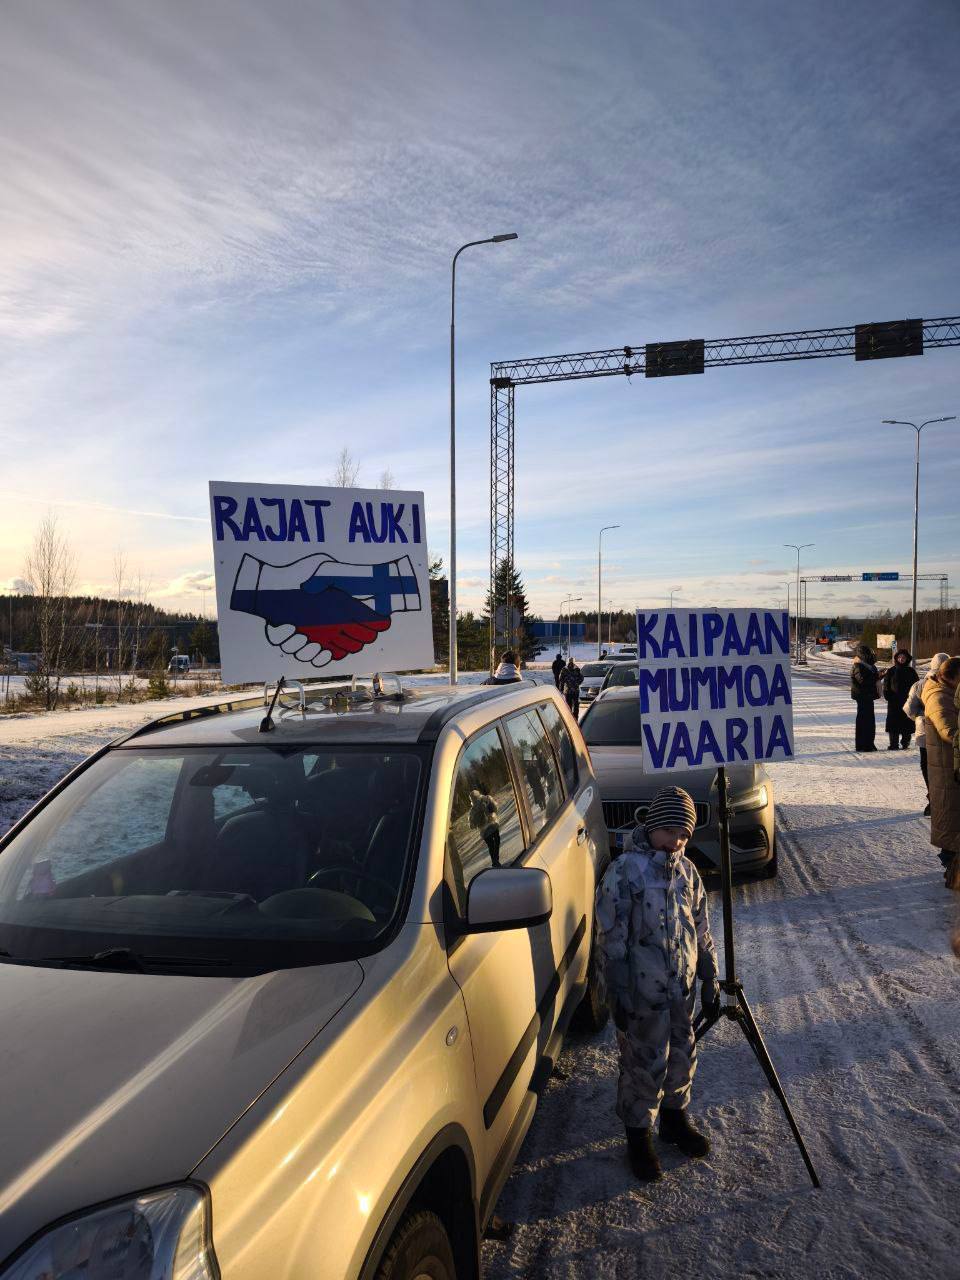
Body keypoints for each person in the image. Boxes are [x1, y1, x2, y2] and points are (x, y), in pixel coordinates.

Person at [596, 786, 719, 1182]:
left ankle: (674, 1120)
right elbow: (610, 934)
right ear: (650, 827)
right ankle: (638, 1136)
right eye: (668, 831)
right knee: (642, 1065)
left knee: (682, 1056)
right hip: (641, 995)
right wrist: (616, 989)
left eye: (683, 834)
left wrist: (709, 973)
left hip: (680, 993)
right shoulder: (626, 871)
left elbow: (700, 925)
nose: (676, 841)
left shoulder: (687, 872)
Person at [920, 656, 960, 886]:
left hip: (949, 766)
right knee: (951, 821)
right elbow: (948, 731)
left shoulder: (946, 693)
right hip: (947, 770)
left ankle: (952, 870)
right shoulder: (938, 698)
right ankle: (951, 869)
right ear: (953, 676)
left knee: (953, 820)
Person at [903, 653, 950, 815]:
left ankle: (933, 799)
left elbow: (908, 709)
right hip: (947, 733)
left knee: (928, 766)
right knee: (945, 768)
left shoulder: (920, 685)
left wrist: (920, 717)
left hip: (925, 732)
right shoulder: (953, 684)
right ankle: (943, 801)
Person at [882, 649, 919, 750]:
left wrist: (914, 698)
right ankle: (893, 744)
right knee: (893, 724)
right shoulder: (891, 671)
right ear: (896, 658)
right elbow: (886, 685)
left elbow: (917, 686)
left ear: (907, 659)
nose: (901, 659)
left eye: (903, 657)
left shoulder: (911, 671)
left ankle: (905, 743)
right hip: (894, 702)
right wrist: (888, 696)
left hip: (908, 701)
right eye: (899, 657)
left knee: (907, 723)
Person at [850, 644, 880, 751]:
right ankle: (863, 744)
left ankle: (869, 743)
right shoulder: (858, 665)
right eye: (869, 653)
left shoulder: (869, 666)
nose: (871, 656)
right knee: (864, 721)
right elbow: (863, 681)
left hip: (868, 696)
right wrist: (878, 676)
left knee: (870, 721)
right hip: (862, 697)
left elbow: (870, 678)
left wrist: (879, 675)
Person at [468, 789, 501, 867]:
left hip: (484, 831)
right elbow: (495, 808)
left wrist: (477, 821)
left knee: (491, 845)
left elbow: (472, 826)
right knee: (497, 840)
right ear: (479, 794)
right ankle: (495, 860)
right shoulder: (486, 799)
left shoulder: (472, 811)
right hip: (492, 825)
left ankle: (495, 861)